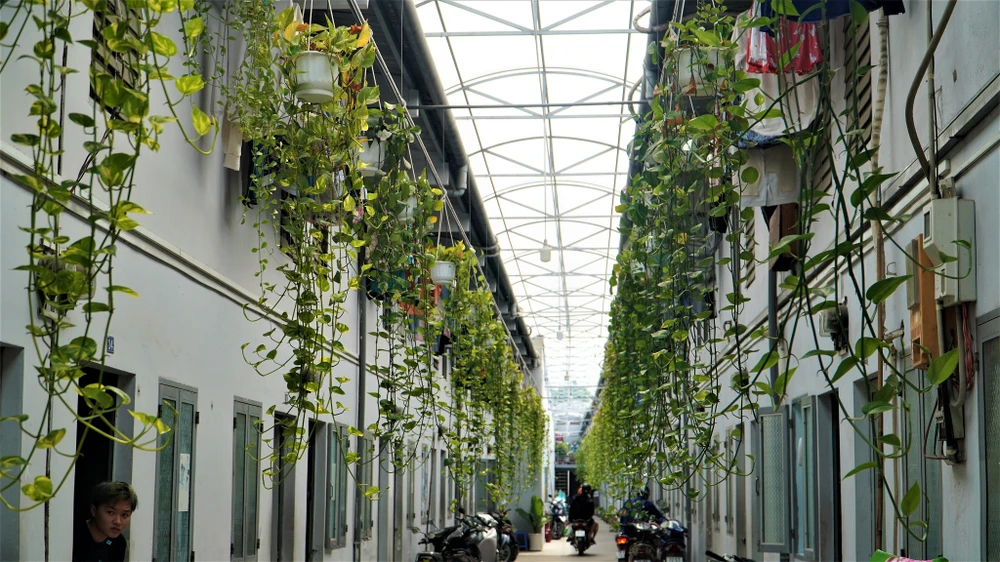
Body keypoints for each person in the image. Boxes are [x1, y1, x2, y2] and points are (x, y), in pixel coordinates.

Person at [73, 481, 137, 562]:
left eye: (124, 515)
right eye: (110, 512)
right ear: (94, 511)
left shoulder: (118, 543)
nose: (118, 521)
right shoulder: (73, 535)